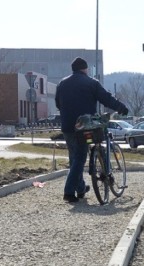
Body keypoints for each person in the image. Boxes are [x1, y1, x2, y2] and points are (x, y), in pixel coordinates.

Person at [55, 57, 129, 202]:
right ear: (85, 69)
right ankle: (69, 192)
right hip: (85, 127)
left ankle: (80, 188)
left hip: (68, 127)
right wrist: (121, 108)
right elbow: (106, 99)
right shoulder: (91, 83)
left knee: (74, 158)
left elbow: (58, 104)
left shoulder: (62, 84)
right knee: (81, 157)